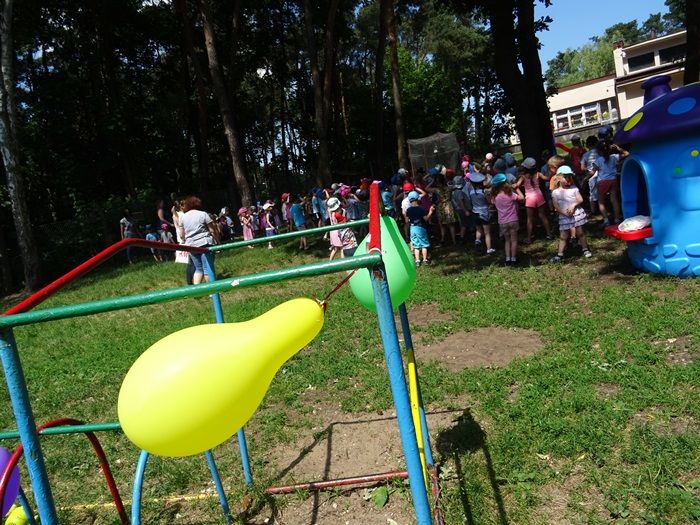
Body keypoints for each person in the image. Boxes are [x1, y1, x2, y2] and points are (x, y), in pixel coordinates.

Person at [550, 166, 592, 261]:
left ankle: (585, 249)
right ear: (558, 178)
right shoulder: (555, 192)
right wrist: (564, 213)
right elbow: (556, 206)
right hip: (564, 216)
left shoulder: (574, 189)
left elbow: (580, 199)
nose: (568, 179)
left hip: (576, 215)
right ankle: (560, 254)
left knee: (581, 233)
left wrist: (573, 205)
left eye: (569, 177)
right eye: (565, 177)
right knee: (563, 236)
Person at [180, 195, 221, 284]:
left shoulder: (183, 217)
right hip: (204, 243)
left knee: (198, 269)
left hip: (191, 245)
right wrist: (217, 241)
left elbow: (181, 235)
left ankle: (197, 289)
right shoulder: (203, 214)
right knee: (207, 268)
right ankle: (212, 289)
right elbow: (212, 230)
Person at [514, 157, 553, 244]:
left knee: (529, 219)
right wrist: (551, 172)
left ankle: (529, 238)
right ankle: (549, 234)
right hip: (539, 196)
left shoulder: (523, 177)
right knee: (543, 216)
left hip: (530, 198)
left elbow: (516, 186)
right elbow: (547, 178)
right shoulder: (538, 174)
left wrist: (512, 184)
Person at [591, 141, 628, 226]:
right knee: (614, 200)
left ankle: (606, 220)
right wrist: (619, 149)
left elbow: (592, 172)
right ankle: (617, 219)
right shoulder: (614, 157)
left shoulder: (598, 160)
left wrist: (585, 179)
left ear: (599, 151)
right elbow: (626, 153)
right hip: (613, 181)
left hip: (602, 182)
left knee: (601, 202)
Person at [491, 173, 525, 265]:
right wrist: (517, 188)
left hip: (502, 222)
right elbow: (522, 198)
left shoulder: (495, 197)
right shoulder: (510, 194)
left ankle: (507, 258)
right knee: (514, 240)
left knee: (507, 240)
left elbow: (492, 203)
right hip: (513, 220)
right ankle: (513, 259)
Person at [464, 171, 494, 254]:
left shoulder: (471, 192)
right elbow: (489, 202)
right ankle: (489, 249)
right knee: (487, 232)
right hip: (484, 213)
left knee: (479, 230)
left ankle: (477, 241)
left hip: (475, 213)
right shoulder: (484, 192)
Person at [405, 190, 435, 266]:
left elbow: (406, 220)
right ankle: (425, 260)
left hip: (412, 228)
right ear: (418, 199)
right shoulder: (421, 208)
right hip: (420, 228)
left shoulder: (408, 210)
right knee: (424, 244)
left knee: (416, 245)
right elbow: (426, 219)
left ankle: (417, 261)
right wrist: (430, 212)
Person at [581, 136, 600, 215]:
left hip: (591, 176)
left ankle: (593, 211)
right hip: (602, 174)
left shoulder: (585, 155)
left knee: (593, 194)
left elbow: (582, 168)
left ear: (587, 145)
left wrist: (587, 169)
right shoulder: (600, 152)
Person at [450, 175, 473, 243]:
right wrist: (465, 210)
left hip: (459, 209)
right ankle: (461, 238)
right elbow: (461, 202)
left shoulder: (454, 192)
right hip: (462, 210)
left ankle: (466, 235)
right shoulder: (459, 192)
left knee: (464, 223)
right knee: (464, 224)